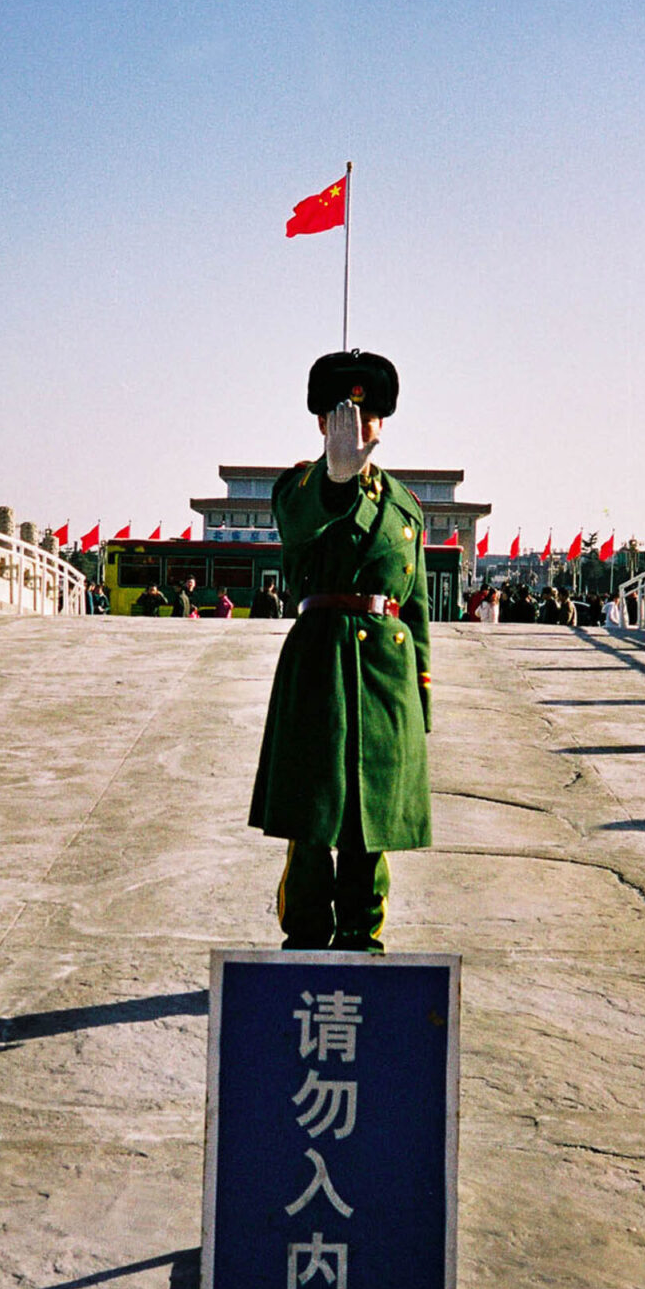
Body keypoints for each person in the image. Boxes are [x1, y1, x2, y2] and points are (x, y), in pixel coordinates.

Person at [249, 348, 431, 954]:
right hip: (321, 664)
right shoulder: (301, 487)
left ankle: (361, 941)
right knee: (313, 816)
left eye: (369, 415)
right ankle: (304, 940)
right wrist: (335, 479)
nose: (358, 426)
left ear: (384, 421)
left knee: (369, 826)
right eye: (342, 415)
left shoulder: (405, 506)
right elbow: (302, 522)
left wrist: (419, 700)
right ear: (322, 423)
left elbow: (418, 608)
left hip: (385, 674)